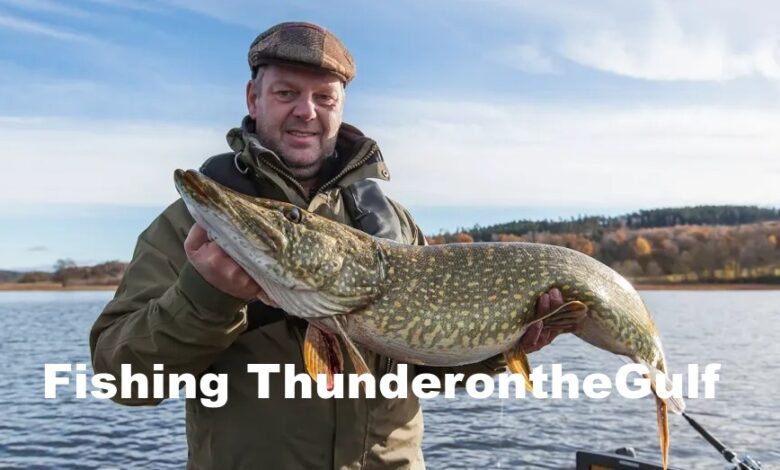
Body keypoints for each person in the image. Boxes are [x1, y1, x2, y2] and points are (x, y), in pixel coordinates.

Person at [89, 21, 566, 470]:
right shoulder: (192, 227)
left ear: (341, 107)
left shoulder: (392, 223)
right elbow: (120, 377)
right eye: (286, 93)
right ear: (253, 99)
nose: (306, 111)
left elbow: (426, 366)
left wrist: (502, 346)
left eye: (324, 97)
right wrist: (207, 297)